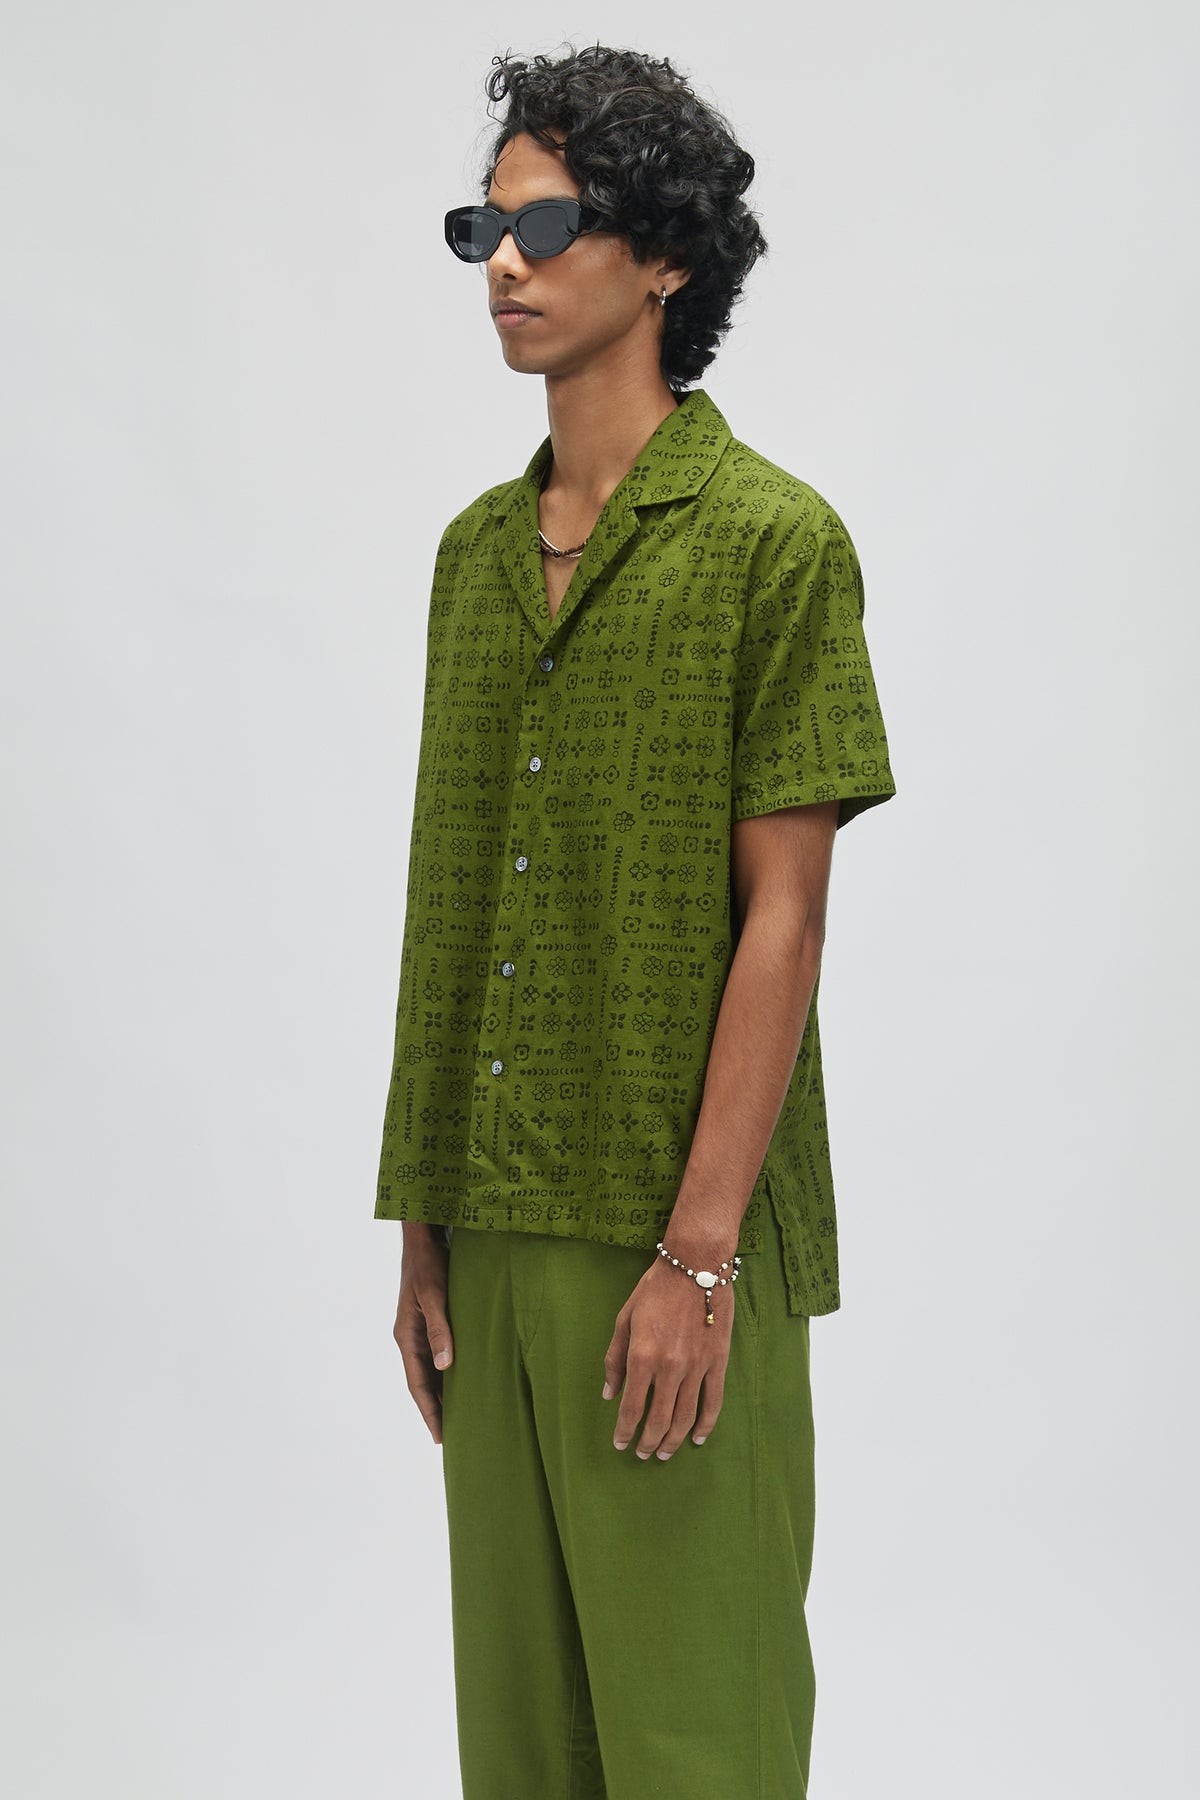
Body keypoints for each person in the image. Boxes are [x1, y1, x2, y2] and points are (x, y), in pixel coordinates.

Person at [375, 43, 898, 1798]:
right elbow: (452, 892)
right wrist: (423, 1222)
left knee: (697, 1745)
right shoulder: (471, 558)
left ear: (664, 253)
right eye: (485, 229)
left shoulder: (771, 543)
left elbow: (785, 921)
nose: (506, 265)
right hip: (491, 1225)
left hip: (677, 1233)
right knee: (525, 1755)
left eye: (549, 224)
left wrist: (699, 1258)